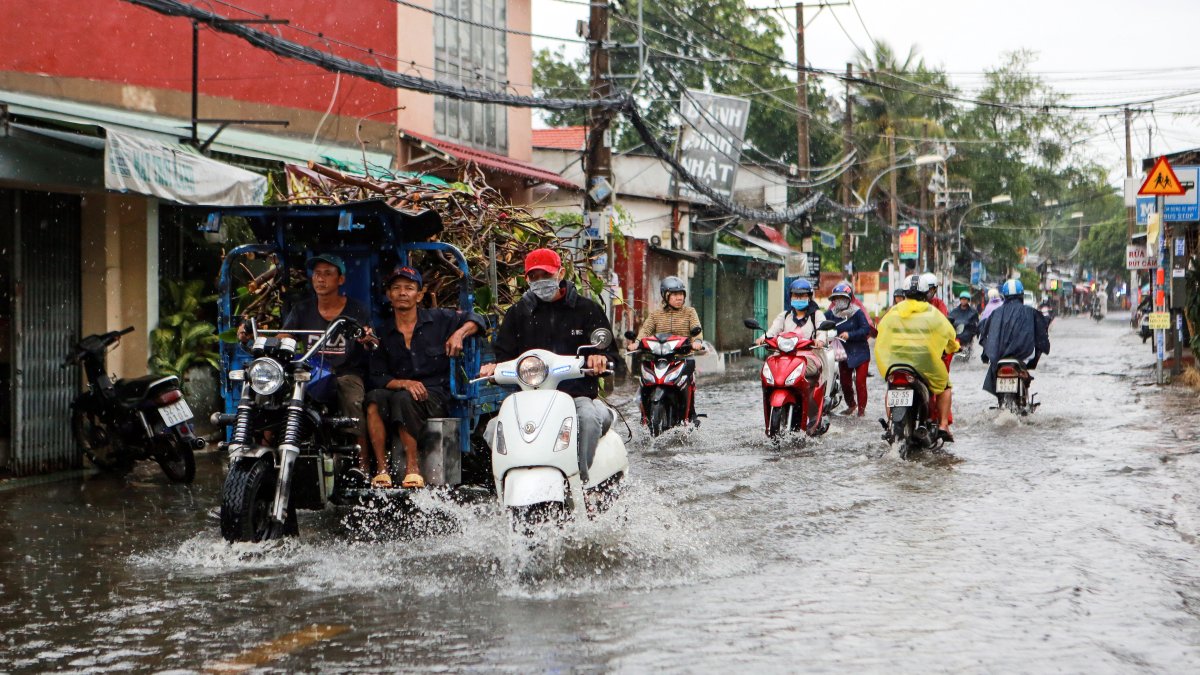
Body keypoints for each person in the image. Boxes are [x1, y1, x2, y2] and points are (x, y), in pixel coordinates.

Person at [478, 248, 616, 483]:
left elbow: (609, 352)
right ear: (527, 279)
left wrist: (599, 359)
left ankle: (580, 480)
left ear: (561, 273)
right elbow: (504, 355)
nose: (541, 281)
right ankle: (506, 485)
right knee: (493, 429)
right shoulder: (517, 313)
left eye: (547, 275)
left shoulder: (587, 309)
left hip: (575, 396)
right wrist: (493, 368)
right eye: (535, 277)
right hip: (530, 400)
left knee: (590, 421)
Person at [364, 266, 484, 489]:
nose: (402, 293)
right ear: (389, 295)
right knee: (373, 399)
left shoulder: (439, 319)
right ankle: (382, 471)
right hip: (399, 391)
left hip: (436, 394)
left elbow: (476, 319)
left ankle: (413, 470)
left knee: (404, 399)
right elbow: (377, 376)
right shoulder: (382, 332)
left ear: (419, 295)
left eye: (409, 288)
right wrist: (404, 383)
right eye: (396, 288)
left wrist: (459, 333)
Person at [275, 254, 374, 478]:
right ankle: (274, 457)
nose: (321, 279)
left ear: (340, 280)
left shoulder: (357, 309)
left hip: (344, 373)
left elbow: (370, 338)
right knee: (275, 398)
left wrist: (367, 339)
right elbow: (284, 336)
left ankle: (363, 465)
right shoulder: (302, 309)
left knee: (353, 401)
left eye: (328, 274)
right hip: (311, 373)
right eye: (317, 274)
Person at [874, 274, 959, 441]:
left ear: (905, 293)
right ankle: (943, 425)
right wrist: (953, 347)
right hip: (923, 363)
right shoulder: (932, 313)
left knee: (891, 386)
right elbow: (950, 336)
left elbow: (881, 333)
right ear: (925, 293)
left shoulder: (893, 312)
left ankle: (891, 424)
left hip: (896, 362)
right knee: (945, 386)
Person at [629, 275, 705, 423]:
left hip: (681, 358)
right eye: (675, 294)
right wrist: (637, 343)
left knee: (689, 377)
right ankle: (644, 415)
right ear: (666, 296)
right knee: (644, 380)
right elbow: (646, 330)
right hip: (659, 358)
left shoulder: (690, 312)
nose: (679, 298)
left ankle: (689, 415)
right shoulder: (656, 315)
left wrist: (697, 342)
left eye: (681, 294)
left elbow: (697, 330)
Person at [979, 279, 1051, 396]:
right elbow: (1041, 332)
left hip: (999, 356)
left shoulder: (996, 313)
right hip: (1023, 354)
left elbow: (984, 332)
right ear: (1021, 295)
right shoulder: (1030, 312)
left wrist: (987, 353)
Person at [825, 282, 871, 417]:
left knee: (860, 383)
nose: (840, 301)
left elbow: (865, 329)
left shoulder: (857, 312)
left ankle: (861, 412)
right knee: (845, 383)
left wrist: (850, 335)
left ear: (849, 298)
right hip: (843, 354)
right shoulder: (830, 314)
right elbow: (820, 324)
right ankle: (851, 405)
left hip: (860, 352)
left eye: (843, 298)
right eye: (837, 298)